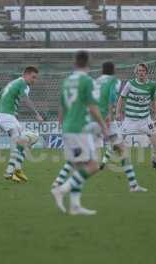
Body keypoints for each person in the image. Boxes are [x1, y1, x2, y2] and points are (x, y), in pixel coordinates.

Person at [52, 61, 147, 192]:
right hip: (106, 121)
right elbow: (112, 96)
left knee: (83, 154)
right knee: (122, 150)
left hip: (91, 119)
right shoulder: (114, 81)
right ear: (113, 71)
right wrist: (109, 114)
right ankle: (133, 185)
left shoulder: (96, 81)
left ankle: (59, 180)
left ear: (102, 71)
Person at [50, 50, 108, 216]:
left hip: (68, 128)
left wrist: (61, 124)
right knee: (94, 165)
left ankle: (75, 206)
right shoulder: (87, 80)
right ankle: (61, 190)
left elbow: (61, 106)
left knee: (78, 167)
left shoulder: (67, 81)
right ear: (89, 63)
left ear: (75, 62)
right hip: (80, 128)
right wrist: (103, 125)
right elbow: (92, 107)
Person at [0, 66, 44, 183]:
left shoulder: (12, 82)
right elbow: (25, 99)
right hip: (7, 116)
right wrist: (36, 114)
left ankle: (17, 169)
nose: (34, 80)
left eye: (35, 78)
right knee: (22, 141)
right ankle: (10, 171)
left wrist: (9, 105)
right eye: (33, 77)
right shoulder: (22, 83)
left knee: (32, 138)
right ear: (25, 74)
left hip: (4, 116)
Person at [116, 63, 156, 169]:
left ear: (146, 72)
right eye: (139, 71)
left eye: (143, 71)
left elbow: (153, 100)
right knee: (118, 142)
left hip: (145, 119)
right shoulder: (130, 84)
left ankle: (154, 157)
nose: (141, 73)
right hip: (130, 119)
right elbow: (121, 98)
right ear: (136, 72)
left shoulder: (152, 85)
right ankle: (121, 160)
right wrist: (118, 112)